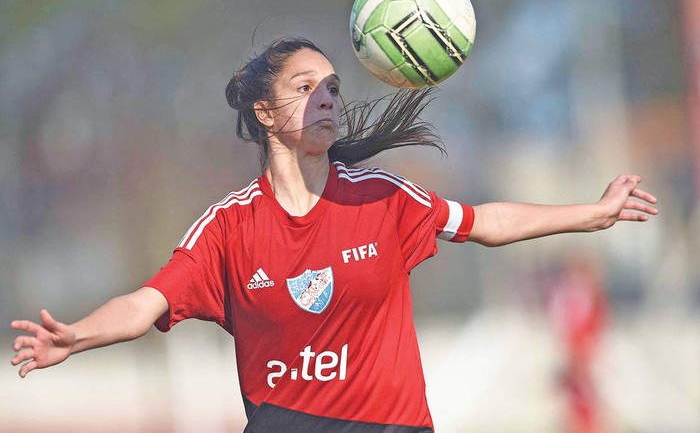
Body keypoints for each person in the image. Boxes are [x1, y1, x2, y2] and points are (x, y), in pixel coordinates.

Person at [10, 37, 658, 432]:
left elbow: (482, 221)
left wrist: (589, 213)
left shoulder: (383, 197)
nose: (327, 97)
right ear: (264, 112)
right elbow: (146, 302)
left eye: (334, 87)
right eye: (305, 86)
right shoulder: (229, 227)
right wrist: (78, 334)